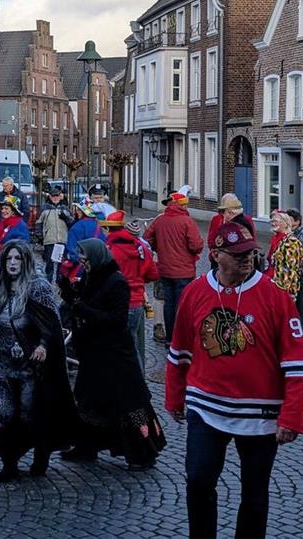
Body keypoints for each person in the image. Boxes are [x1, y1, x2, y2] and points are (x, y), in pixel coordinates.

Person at [166, 223, 303, 539]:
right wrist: (174, 398)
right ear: (215, 255)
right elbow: (179, 351)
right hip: (206, 408)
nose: (247, 259)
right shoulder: (195, 292)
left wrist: (292, 417)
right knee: (199, 480)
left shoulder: (276, 298)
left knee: (255, 494)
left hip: (260, 417)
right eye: (238, 254)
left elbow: (297, 366)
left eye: (250, 253)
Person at [60, 238, 165, 470]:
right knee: (89, 400)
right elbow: (77, 302)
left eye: (85, 258)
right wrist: (66, 287)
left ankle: (143, 451)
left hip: (116, 355)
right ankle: (86, 445)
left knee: (130, 404)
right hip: (94, 353)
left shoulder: (116, 282)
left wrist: (83, 308)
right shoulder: (91, 277)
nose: (82, 262)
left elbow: (116, 320)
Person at [0, 241, 77, 482]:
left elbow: (51, 324)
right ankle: (9, 463)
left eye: (17, 259)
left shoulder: (38, 288)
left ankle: (40, 455)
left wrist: (44, 345)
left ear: (25, 261)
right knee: (3, 414)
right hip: (2, 363)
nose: (12, 263)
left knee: (30, 414)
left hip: (30, 366)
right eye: (8, 259)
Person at [144, 190, 204, 346]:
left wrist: (159, 248)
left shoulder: (160, 220)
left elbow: (146, 239)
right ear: (181, 205)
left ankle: (170, 338)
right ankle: (181, 341)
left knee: (168, 304)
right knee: (182, 305)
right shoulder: (186, 221)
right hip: (184, 270)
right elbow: (196, 245)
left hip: (164, 269)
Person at [104, 210, 159, 369]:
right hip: (136, 301)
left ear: (109, 229)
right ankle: (138, 383)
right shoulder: (141, 247)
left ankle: (123, 385)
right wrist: (138, 279)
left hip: (116, 302)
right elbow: (153, 273)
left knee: (116, 346)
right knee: (132, 345)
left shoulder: (109, 249)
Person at [285, 209, 303, 343]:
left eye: (289, 219)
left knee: (301, 305)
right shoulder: (289, 234)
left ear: (297, 221)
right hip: (290, 276)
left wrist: (298, 272)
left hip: (300, 276)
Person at [36, 185, 73, 279]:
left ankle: (60, 281)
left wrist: (66, 218)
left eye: (57, 195)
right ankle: (48, 280)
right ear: (50, 196)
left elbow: (72, 223)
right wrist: (40, 236)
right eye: (53, 196)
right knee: (49, 263)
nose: (55, 198)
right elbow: (38, 223)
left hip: (62, 239)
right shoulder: (44, 208)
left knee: (62, 263)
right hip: (50, 240)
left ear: (60, 196)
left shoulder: (65, 208)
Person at [267, 212, 303, 301]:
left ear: (285, 223)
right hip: (272, 282)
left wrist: (282, 290)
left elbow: (291, 269)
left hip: (282, 287)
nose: (273, 223)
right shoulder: (276, 238)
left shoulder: (291, 242)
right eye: (272, 221)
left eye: (276, 221)